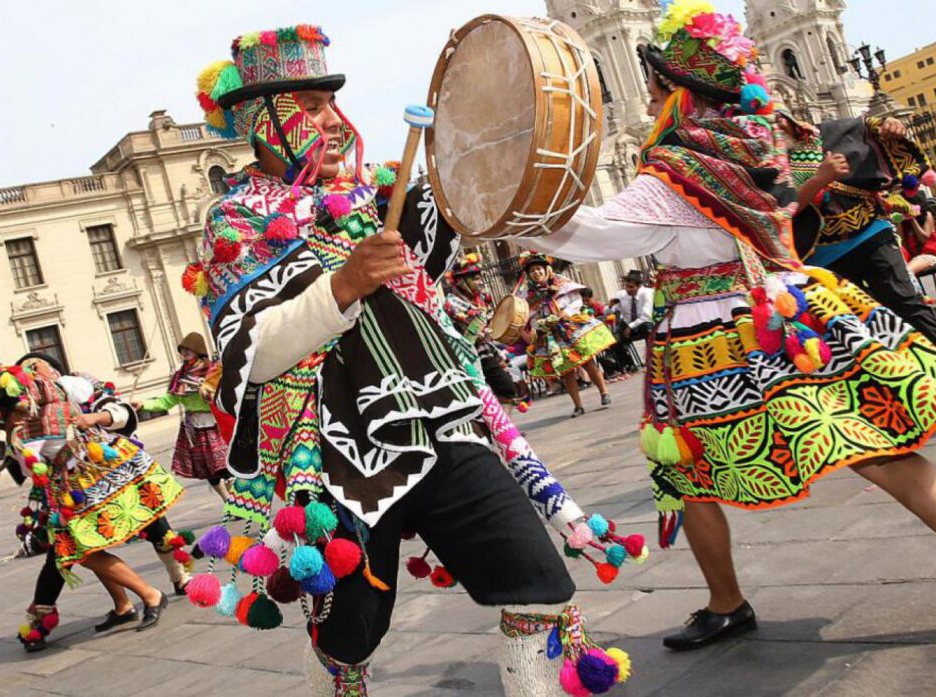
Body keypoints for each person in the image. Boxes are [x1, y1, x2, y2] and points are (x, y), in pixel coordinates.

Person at [180, 25, 635, 696]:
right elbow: (250, 348)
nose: (333, 119)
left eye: (333, 102)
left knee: (538, 583)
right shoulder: (236, 220)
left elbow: (475, 198)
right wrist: (343, 285)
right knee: (349, 632)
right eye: (310, 105)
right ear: (260, 118)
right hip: (338, 452)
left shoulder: (377, 196)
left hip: (443, 421)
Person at [527, 0, 936, 652]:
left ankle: (726, 601)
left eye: (657, 82)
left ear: (675, 93)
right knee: (874, 447)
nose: (649, 93)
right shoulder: (755, 141)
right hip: (785, 313)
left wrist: (509, 204)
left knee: (694, 472)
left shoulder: (673, 169)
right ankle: (724, 600)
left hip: (714, 341)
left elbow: (583, 231)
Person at [0, 357, 183, 650]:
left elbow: (34, 466)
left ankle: (152, 593)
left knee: (80, 550)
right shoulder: (50, 403)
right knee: (80, 549)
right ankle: (124, 604)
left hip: (88, 481)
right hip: (85, 479)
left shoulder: (31, 425)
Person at [777, 109, 936, 353]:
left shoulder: (826, 133)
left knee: (907, 303)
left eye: (779, 116)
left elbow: (865, 126)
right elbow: (783, 210)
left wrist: (889, 124)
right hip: (824, 257)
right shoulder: (770, 165)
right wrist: (820, 178)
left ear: (791, 118)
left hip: (871, 232)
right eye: (768, 121)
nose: (777, 124)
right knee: (865, 325)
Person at [134, 333, 230, 502]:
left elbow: (226, 394)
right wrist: (143, 404)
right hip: (194, 429)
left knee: (225, 464)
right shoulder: (180, 377)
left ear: (198, 350)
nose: (184, 353)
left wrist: (210, 393)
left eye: (188, 349)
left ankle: (237, 497)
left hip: (216, 423)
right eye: (182, 350)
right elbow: (167, 401)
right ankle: (227, 500)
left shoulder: (213, 371)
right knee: (209, 470)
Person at [520, 253, 616, 417]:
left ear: (546, 269)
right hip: (552, 336)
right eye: (532, 271)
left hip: (571, 327)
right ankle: (578, 405)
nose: (536, 273)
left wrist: (567, 312)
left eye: (538, 269)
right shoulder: (529, 296)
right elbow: (531, 317)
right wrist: (540, 324)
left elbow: (577, 300)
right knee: (566, 371)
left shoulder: (562, 283)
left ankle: (604, 392)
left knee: (587, 362)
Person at [443, 252, 520, 412]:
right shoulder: (452, 302)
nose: (480, 282)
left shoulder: (481, 299)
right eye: (475, 279)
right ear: (462, 281)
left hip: (487, 351)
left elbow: (490, 324)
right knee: (491, 393)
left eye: (479, 278)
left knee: (507, 389)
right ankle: (501, 431)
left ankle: (505, 429)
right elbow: (474, 327)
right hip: (468, 356)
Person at [612, 270, 653, 374]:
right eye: (626, 287)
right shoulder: (621, 295)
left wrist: (630, 326)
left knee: (647, 329)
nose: (628, 290)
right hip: (628, 323)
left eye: (631, 287)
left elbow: (646, 316)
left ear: (638, 286)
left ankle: (651, 361)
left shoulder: (647, 293)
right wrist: (612, 307)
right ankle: (629, 365)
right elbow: (614, 308)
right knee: (614, 340)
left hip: (645, 323)